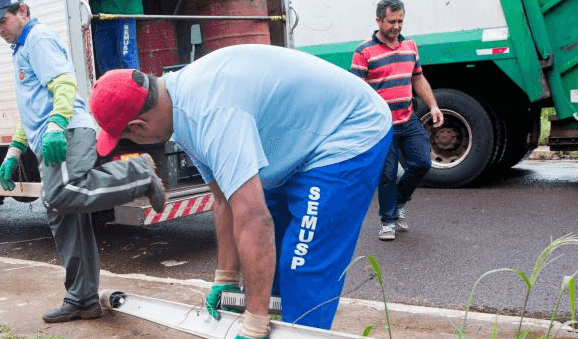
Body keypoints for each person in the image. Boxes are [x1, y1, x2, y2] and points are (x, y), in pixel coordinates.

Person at [87, 44, 393, 338]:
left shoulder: (210, 115)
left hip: (349, 131)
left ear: (138, 127)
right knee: (266, 269)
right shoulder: (179, 108)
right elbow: (223, 197)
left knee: (302, 265)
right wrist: (227, 277)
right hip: (300, 140)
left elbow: (254, 219)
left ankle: (287, 329)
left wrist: (255, 321)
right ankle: (270, 320)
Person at [0, 0, 168, 324]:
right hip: (51, 135)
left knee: (62, 194)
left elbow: (64, 84)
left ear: (23, 10)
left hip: (66, 133)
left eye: (2, 20)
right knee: (62, 214)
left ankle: (138, 174)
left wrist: (56, 125)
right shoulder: (20, 48)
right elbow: (31, 110)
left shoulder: (37, 38)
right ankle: (82, 299)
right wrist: (14, 151)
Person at [350, 0, 444, 241]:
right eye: (391, 21)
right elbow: (358, 91)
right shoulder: (364, 52)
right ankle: (388, 220)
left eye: (400, 20)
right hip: (382, 125)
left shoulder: (410, 46)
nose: (396, 26)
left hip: (408, 118)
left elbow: (418, 79)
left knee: (422, 162)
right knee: (387, 175)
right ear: (378, 20)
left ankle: (399, 201)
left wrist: (433, 105)